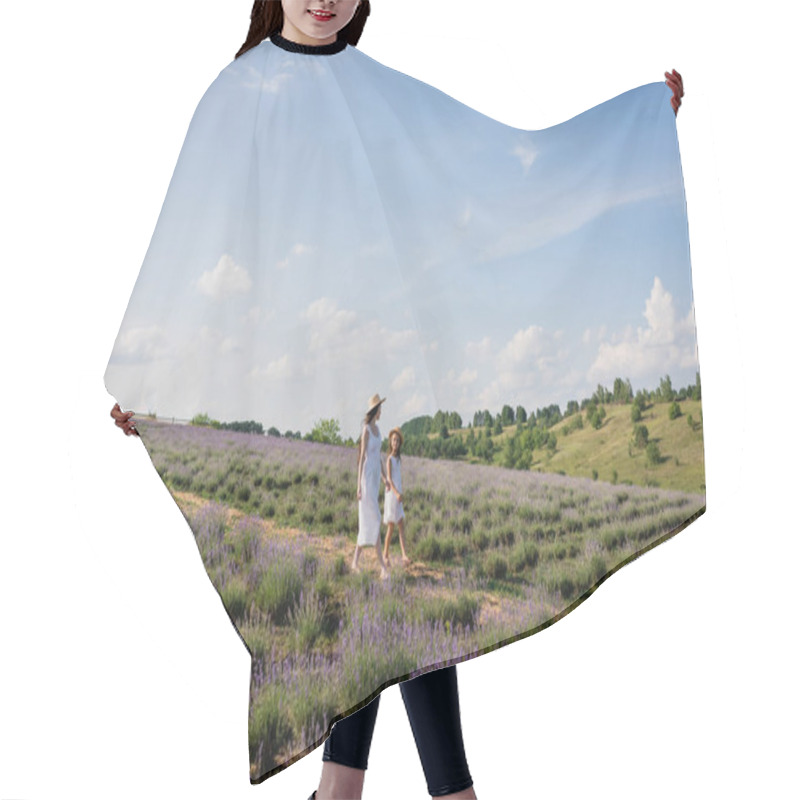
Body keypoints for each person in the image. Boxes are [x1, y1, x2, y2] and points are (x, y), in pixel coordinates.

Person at [109, 2, 686, 798]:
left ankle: (351, 790)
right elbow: (198, 238)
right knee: (376, 606)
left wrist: (637, 128)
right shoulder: (240, 92)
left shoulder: (373, 87)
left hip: (373, 348)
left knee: (384, 605)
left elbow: (488, 167)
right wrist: (155, 385)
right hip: (292, 368)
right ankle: (429, 792)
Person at [352, 393, 391, 580]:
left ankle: (354, 562)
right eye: (380, 408)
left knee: (368, 523)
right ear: (375, 410)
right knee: (375, 519)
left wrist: (385, 478)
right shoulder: (366, 429)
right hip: (366, 479)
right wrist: (358, 485)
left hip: (375, 479)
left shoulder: (379, 430)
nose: (381, 411)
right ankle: (383, 567)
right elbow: (362, 459)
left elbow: (379, 458)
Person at [383, 427, 411, 568]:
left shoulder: (398, 459)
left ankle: (404, 555)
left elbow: (398, 478)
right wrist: (396, 493)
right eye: (394, 440)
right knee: (391, 527)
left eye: (398, 441)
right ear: (390, 442)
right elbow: (389, 479)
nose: (396, 442)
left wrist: (401, 492)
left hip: (398, 495)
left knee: (401, 526)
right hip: (392, 496)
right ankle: (385, 555)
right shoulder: (389, 460)